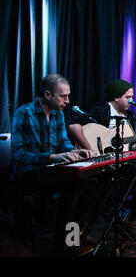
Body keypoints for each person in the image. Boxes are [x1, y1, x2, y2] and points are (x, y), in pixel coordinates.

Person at [68, 79, 136, 231]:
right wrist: (88, 147)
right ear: (116, 97)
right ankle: (135, 216)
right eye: (128, 97)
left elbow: (130, 146)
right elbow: (73, 124)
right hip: (102, 159)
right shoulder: (101, 110)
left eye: (132, 97)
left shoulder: (130, 116)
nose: (131, 101)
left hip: (122, 157)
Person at [10, 74, 95, 255]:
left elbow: (64, 144)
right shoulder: (23, 113)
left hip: (51, 171)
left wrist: (75, 151)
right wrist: (52, 157)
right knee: (73, 185)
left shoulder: (58, 114)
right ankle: (63, 243)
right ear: (47, 95)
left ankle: (72, 234)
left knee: (91, 181)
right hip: (27, 173)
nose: (67, 100)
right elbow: (18, 153)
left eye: (68, 96)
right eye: (63, 96)